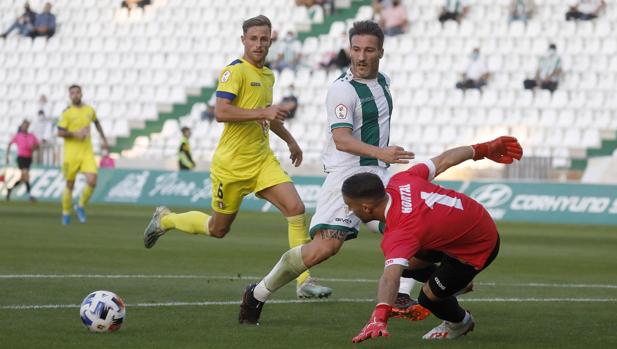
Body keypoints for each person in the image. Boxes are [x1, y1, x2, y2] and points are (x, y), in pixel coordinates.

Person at [239, 21, 423, 326]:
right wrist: (383, 153)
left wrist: (382, 159)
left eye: (369, 50)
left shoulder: (384, 81)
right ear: (349, 50)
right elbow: (342, 139)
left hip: (380, 174)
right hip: (347, 176)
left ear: (381, 52)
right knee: (324, 248)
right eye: (356, 49)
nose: (361, 56)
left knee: (414, 222)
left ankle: (402, 292)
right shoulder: (342, 89)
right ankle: (257, 294)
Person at [142, 15, 330, 299]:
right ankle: (165, 219)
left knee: (296, 209)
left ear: (271, 40)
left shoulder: (268, 75)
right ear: (243, 40)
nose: (258, 44)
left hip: (262, 161)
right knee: (217, 229)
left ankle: (303, 281)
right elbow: (221, 112)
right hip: (230, 166)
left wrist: (291, 141)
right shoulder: (234, 71)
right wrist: (263, 113)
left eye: (264, 39)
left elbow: (268, 113)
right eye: (253, 39)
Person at [348, 136, 523, 343]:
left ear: (366, 207)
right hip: (470, 219)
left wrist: (379, 315)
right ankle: (457, 284)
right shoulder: (401, 180)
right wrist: (482, 149)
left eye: (351, 205)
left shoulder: (400, 233)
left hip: (477, 246)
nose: (349, 209)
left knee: (428, 298)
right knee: (408, 264)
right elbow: (444, 160)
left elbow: (389, 278)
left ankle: (460, 323)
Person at [57, 85, 109, 225]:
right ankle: (66, 213)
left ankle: (80, 205)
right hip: (71, 155)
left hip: (87, 153)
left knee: (92, 181)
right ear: (69, 95)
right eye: (72, 93)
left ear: (81, 94)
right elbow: (60, 132)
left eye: (77, 92)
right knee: (70, 185)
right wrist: (75, 134)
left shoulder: (89, 110)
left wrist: (104, 139)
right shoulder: (66, 113)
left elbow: (97, 123)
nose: (75, 95)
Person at [5, 120, 39, 202]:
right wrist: (7, 156)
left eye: (26, 125)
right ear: (21, 126)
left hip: (28, 158)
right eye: (24, 125)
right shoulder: (18, 135)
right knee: (26, 175)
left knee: (23, 178)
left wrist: (34, 147)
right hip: (21, 158)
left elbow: (38, 146)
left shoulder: (32, 136)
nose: (25, 127)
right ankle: (30, 196)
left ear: (28, 126)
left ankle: (10, 189)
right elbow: (9, 144)